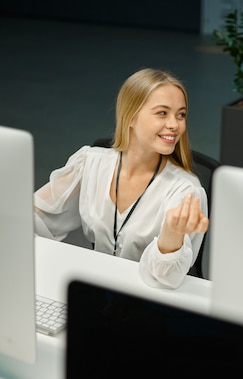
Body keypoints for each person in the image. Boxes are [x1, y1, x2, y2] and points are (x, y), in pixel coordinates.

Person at [34, 68, 209, 289]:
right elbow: (36, 217)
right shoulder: (90, 163)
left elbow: (165, 280)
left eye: (181, 114)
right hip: (95, 289)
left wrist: (171, 238)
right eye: (162, 113)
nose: (175, 125)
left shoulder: (185, 191)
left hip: (146, 300)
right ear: (131, 116)